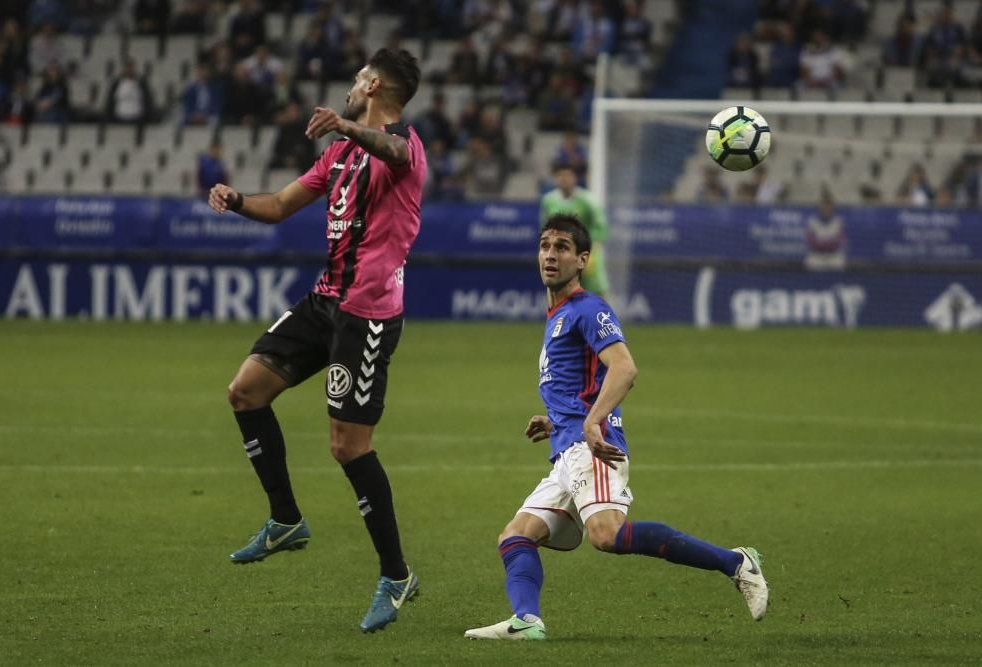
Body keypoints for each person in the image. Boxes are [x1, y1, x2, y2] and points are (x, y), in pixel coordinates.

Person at [464, 214, 769, 641]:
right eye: (545, 245)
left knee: (606, 535)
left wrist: (590, 421)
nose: (551, 255)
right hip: (567, 450)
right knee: (516, 535)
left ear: (582, 259)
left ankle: (736, 563)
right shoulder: (558, 315)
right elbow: (584, 384)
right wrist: (555, 418)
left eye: (562, 248)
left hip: (594, 446)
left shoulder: (589, 308)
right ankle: (526, 621)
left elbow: (624, 369)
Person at [206, 47, 426, 634]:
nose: (351, 86)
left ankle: (396, 575)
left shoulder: (404, 146)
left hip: (368, 314)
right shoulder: (339, 154)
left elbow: (397, 150)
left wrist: (348, 123)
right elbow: (279, 205)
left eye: (359, 79)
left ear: (375, 84)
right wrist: (235, 201)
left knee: (348, 447)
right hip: (324, 300)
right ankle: (284, 519)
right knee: (245, 391)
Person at [540, 163, 609, 297]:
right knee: (559, 289)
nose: (564, 179)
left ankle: (604, 316)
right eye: (560, 176)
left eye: (568, 175)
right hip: (561, 253)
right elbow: (545, 227)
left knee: (595, 288)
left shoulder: (588, 201)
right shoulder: (549, 201)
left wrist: (594, 247)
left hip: (586, 252)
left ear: (575, 178)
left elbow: (600, 226)